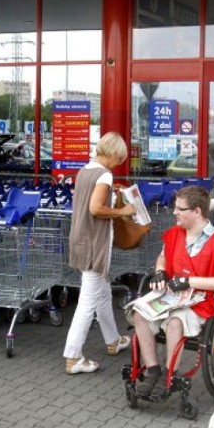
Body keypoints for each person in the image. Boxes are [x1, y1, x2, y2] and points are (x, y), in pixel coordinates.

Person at [130, 185, 214, 397]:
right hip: (173, 295)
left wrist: (190, 281)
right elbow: (163, 257)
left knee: (175, 323)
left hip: (200, 301)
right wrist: (160, 272)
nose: (174, 212)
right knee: (138, 314)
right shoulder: (174, 234)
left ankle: (169, 375)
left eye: (180, 209)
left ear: (197, 211)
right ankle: (153, 369)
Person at [63, 132, 137, 374]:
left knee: (102, 293)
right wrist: (122, 210)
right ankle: (73, 357)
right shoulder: (104, 174)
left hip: (81, 238)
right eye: (120, 158)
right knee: (87, 301)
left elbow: (89, 202)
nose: (120, 162)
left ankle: (113, 340)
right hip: (95, 243)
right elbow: (96, 209)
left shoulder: (86, 170)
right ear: (115, 153)